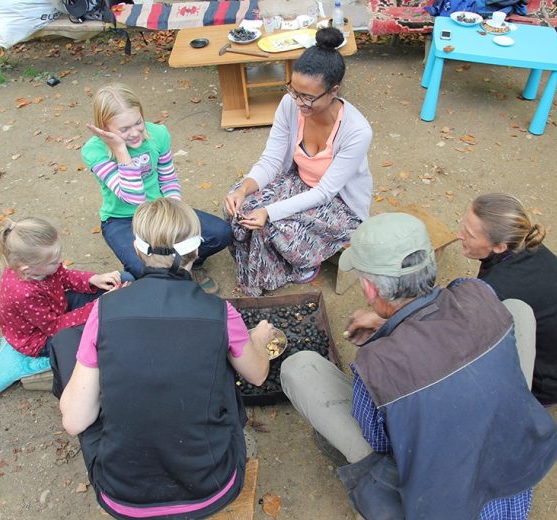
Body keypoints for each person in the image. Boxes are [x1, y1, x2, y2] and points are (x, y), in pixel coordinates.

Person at [280, 213, 557, 520]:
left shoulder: (378, 365)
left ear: (371, 289)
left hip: (440, 507)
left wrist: (389, 342)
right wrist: (393, 324)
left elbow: (382, 443)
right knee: (517, 310)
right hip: (515, 475)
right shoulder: (478, 293)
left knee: (300, 368)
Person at [53, 198, 274, 519]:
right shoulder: (219, 313)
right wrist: (258, 339)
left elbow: (74, 421)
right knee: (224, 371)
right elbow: (256, 375)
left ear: (137, 250)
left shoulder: (104, 312)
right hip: (212, 488)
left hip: (122, 497)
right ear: (197, 251)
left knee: (69, 349)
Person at [223, 27, 373, 296]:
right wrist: (243, 188)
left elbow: (326, 191)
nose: (299, 103)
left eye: (308, 97)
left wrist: (271, 211)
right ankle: (266, 265)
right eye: (294, 91)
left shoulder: (357, 131)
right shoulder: (289, 104)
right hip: (299, 182)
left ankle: (300, 265)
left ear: (333, 91)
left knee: (273, 226)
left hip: (338, 203)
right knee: (240, 205)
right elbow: (271, 160)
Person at [82, 83, 231, 293]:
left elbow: (168, 178)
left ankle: (187, 267)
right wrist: (119, 149)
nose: (135, 133)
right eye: (124, 129)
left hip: (160, 209)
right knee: (139, 268)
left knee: (221, 232)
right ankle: (166, 283)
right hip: (122, 219)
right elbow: (133, 198)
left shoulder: (158, 134)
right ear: (105, 129)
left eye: (138, 123)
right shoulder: (94, 150)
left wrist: (175, 213)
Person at [457, 193, 557, 405]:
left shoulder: (499, 286)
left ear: (499, 247)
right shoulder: (528, 246)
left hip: (551, 383)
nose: (459, 235)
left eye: (469, 234)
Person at [0, 217, 125, 358]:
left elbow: (63, 276)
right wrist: (98, 306)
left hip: (56, 306)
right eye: (54, 261)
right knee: (101, 332)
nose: (61, 261)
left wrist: (93, 279)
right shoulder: (24, 294)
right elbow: (54, 327)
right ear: (27, 269)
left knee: (122, 281)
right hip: (41, 338)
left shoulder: (37, 266)